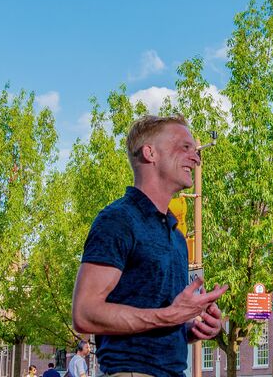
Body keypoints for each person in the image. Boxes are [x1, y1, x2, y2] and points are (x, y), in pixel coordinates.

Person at [72, 114, 227, 377]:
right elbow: (84, 314)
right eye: (184, 147)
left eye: (195, 149)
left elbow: (162, 317)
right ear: (150, 152)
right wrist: (171, 316)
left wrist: (192, 328)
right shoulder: (117, 220)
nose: (196, 157)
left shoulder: (177, 237)